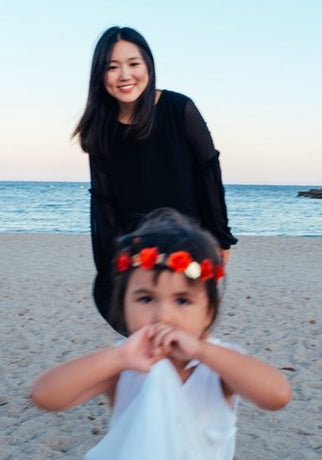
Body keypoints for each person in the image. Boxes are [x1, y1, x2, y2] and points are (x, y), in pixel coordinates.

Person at [31, 209, 291, 460]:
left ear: (209, 312)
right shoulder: (122, 365)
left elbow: (277, 395)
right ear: (122, 306)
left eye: (182, 300)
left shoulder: (217, 366)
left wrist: (202, 351)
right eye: (145, 299)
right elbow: (45, 395)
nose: (163, 315)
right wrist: (118, 358)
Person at [72, 26, 237, 334]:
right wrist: (111, 262)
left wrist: (220, 236)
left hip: (188, 244)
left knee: (188, 336)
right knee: (147, 339)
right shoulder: (100, 128)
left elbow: (209, 171)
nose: (125, 75)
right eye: (112, 67)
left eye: (133, 64)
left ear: (148, 66)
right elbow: (104, 201)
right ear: (100, 74)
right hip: (137, 252)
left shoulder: (179, 109)